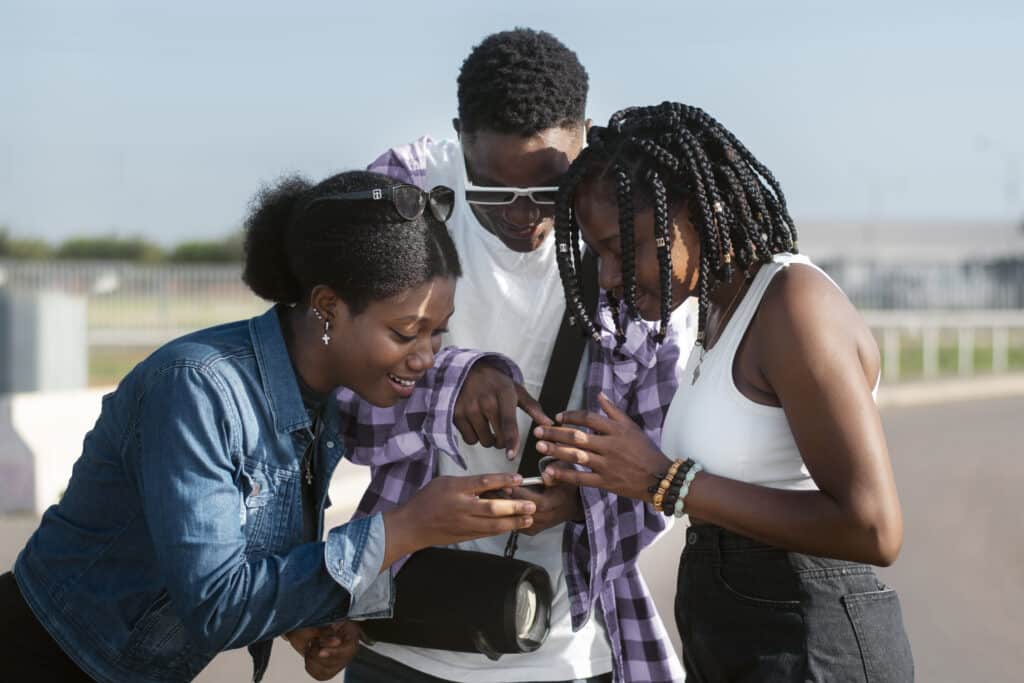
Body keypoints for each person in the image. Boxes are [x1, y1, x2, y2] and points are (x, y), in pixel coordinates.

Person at [0, 170, 539, 683]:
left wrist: (299, 623)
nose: (425, 357)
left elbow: (246, 551)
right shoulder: (198, 389)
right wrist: (406, 528)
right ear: (327, 306)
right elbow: (216, 604)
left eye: (437, 333)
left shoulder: (319, 396)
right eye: (405, 333)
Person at [346, 28, 686, 683]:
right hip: (404, 635)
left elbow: (666, 453)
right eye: (494, 192)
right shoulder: (403, 195)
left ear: (583, 137)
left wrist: (580, 503)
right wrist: (451, 378)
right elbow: (338, 400)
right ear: (460, 137)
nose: (524, 215)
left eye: (549, 190)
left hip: (570, 648)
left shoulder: (631, 230)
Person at [536, 102, 915, 681]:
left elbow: (873, 528)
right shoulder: (713, 312)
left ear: (694, 212)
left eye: (624, 247)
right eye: (599, 254)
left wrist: (661, 479)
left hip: (812, 643)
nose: (608, 277)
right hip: (738, 634)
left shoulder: (793, 305)